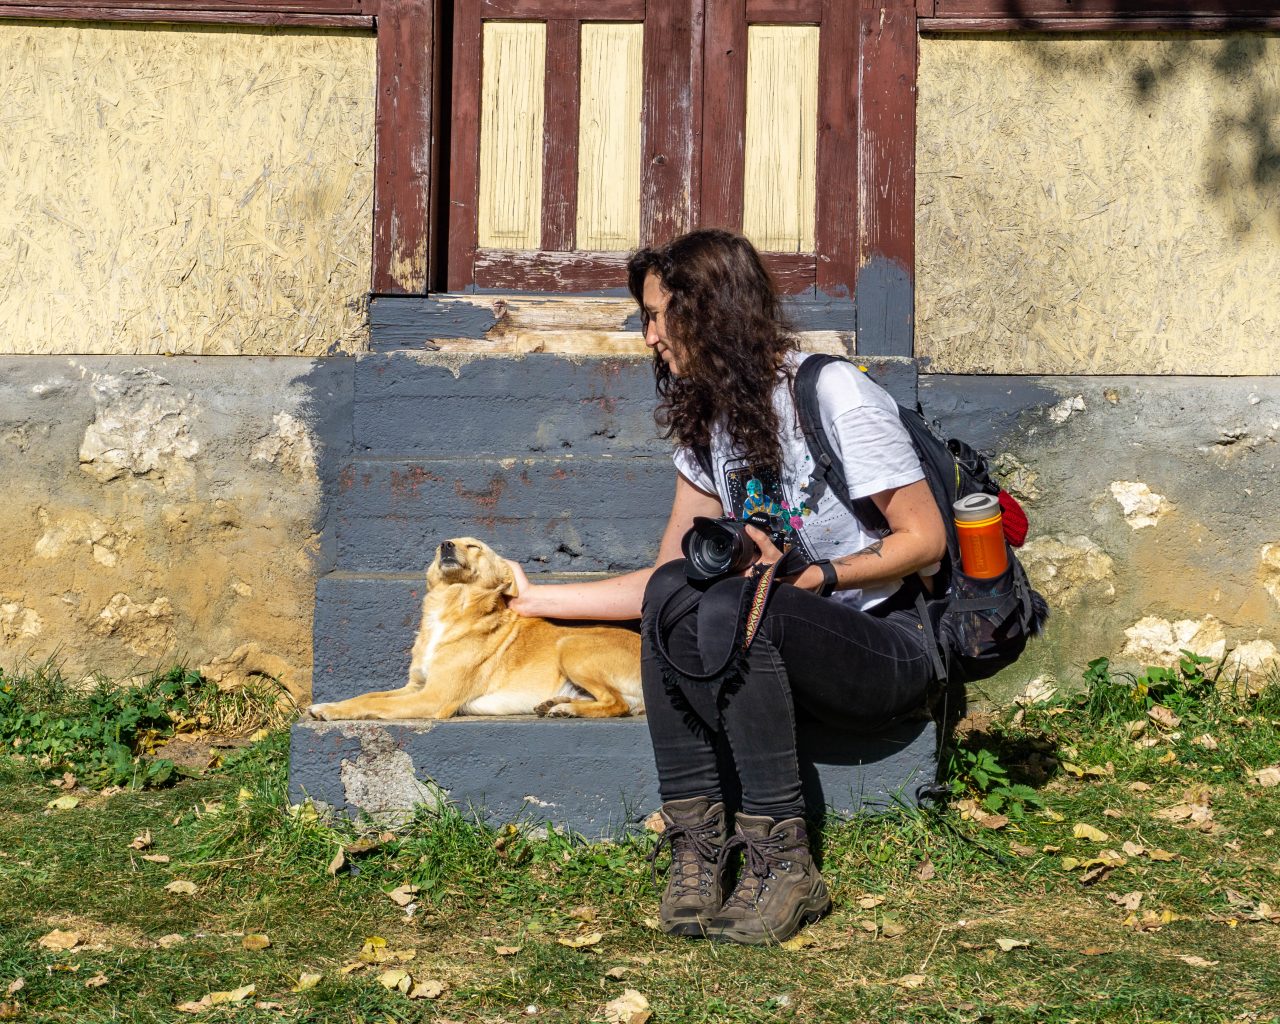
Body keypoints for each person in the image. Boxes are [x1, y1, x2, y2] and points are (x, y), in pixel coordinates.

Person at [504, 229, 946, 946]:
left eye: (656, 316)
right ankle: (697, 844)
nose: (648, 336)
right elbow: (663, 579)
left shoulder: (833, 394)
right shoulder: (711, 420)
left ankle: (785, 863)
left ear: (708, 313)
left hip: (887, 646)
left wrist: (818, 574)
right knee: (681, 588)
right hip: (772, 646)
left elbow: (925, 540)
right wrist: (536, 601)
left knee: (743, 599)